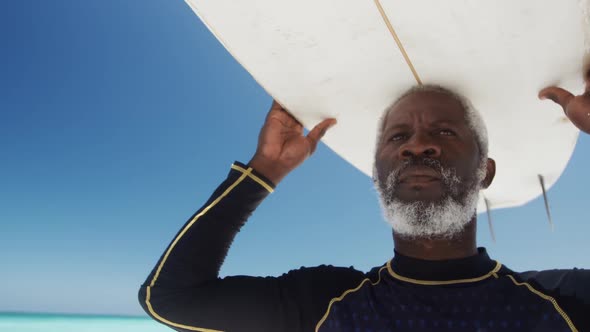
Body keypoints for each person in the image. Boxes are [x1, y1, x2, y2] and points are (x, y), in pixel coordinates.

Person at [138, 72, 590, 332]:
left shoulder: (560, 301)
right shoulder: (323, 303)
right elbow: (171, 298)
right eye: (398, 137)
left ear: (484, 172)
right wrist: (264, 169)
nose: (418, 146)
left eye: (445, 132)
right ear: (378, 174)